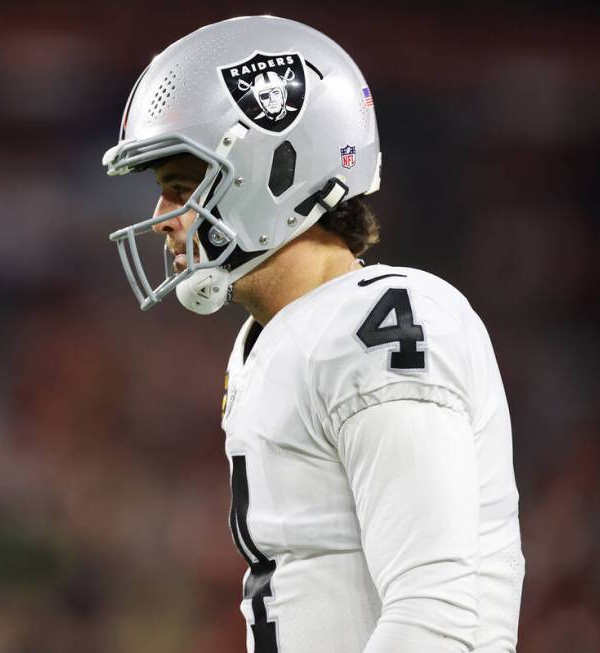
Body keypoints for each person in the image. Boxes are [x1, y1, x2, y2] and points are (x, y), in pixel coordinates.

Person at [101, 15, 524, 653]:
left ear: (273, 174)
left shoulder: (377, 324)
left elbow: (433, 615)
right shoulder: (281, 337)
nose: (162, 219)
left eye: (181, 187)